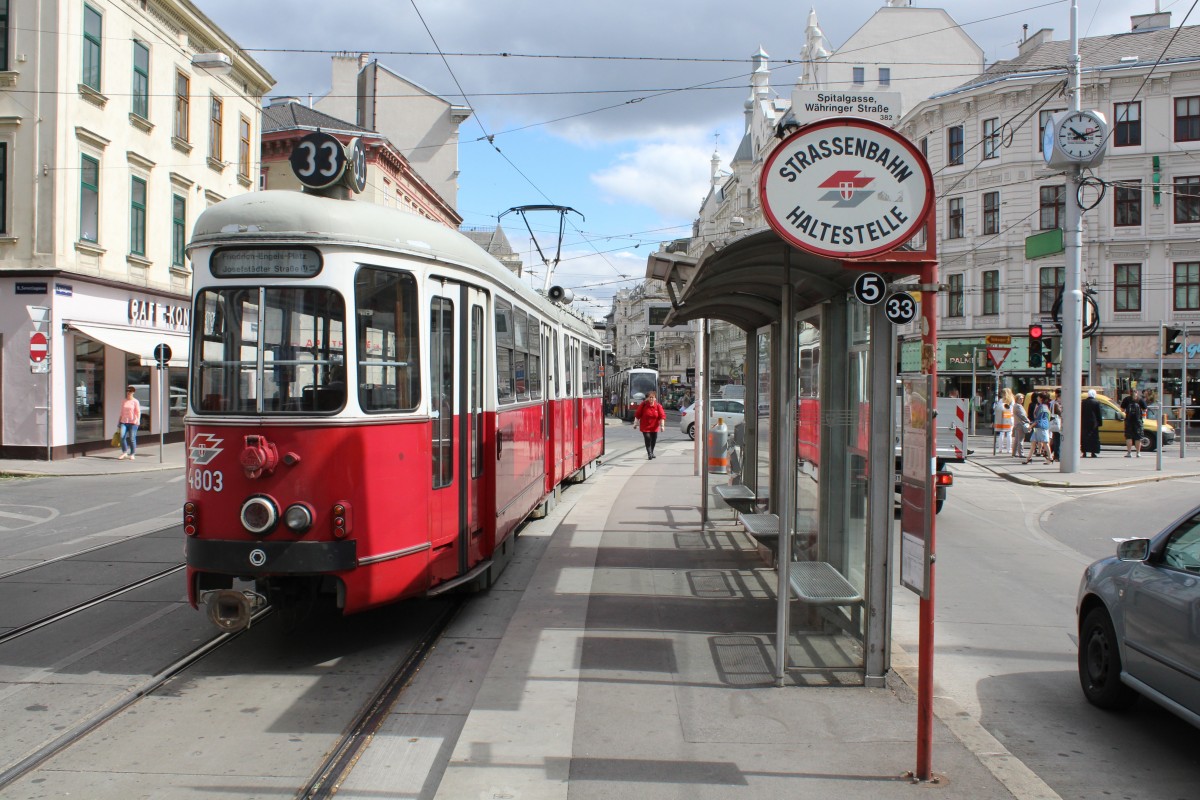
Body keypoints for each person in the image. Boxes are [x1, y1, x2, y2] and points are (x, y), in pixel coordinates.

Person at [634, 390, 666, 459]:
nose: (651, 399)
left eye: (652, 397)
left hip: (654, 427)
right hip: (645, 426)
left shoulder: (658, 406)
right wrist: (635, 424)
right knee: (647, 438)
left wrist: (662, 426)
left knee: (654, 440)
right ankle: (649, 453)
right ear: (647, 398)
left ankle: (652, 452)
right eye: (650, 397)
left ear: (655, 398)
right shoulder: (644, 404)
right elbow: (637, 415)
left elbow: (662, 416)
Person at [1026, 392, 1054, 464]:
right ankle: (1029, 458)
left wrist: (1031, 426)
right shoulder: (1045, 406)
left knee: (1043, 442)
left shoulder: (1040, 407)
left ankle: (1050, 457)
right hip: (1043, 426)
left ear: (1041, 398)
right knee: (1035, 442)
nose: (1037, 398)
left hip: (1040, 426)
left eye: (1038, 397)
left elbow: (1038, 419)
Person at [1121, 390, 1147, 458]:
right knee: (1138, 437)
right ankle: (1138, 453)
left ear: (1130, 393)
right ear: (1137, 393)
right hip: (1138, 421)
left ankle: (1129, 453)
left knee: (1128, 437)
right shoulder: (1140, 400)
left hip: (1128, 421)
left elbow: (1122, 410)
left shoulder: (1126, 399)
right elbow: (1145, 409)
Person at [118, 385, 141, 461]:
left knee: (132, 438)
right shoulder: (124, 401)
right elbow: (121, 412)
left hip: (133, 422)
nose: (128, 392)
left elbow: (138, 412)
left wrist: (137, 420)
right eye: (127, 391)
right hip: (124, 421)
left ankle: (132, 454)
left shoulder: (135, 401)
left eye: (130, 391)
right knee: (122, 437)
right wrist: (119, 421)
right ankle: (124, 452)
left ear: (133, 392)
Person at [1081, 389, 1103, 458]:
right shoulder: (1096, 402)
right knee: (1093, 437)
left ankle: (1084, 452)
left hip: (1084, 422)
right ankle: (1093, 452)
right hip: (1094, 423)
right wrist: (1100, 422)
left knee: (1084, 437)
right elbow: (1099, 413)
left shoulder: (1083, 402)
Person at [993, 388, 1015, 454]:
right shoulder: (1012, 400)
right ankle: (1009, 449)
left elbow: (998, 409)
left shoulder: (1001, 400)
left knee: (1001, 433)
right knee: (1009, 433)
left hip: (1002, 418)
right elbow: (1012, 410)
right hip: (1009, 417)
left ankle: (1000, 449)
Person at [1012, 393, 1030, 459]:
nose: (1022, 399)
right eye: (1020, 398)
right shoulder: (1018, 406)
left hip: (1017, 424)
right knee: (1021, 439)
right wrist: (1028, 421)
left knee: (1017, 439)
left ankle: (1014, 453)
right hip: (1020, 424)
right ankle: (1021, 453)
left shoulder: (1016, 405)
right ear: (1017, 399)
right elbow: (1022, 415)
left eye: (1023, 398)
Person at [1049, 389, 1064, 462]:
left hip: (1057, 423)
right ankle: (1057, 456)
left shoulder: (1054, 403)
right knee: (1057, 439)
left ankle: (1048, 452)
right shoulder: (1056, 404)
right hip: (1057, 423)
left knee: (1056, 439)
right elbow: (1060, 413)